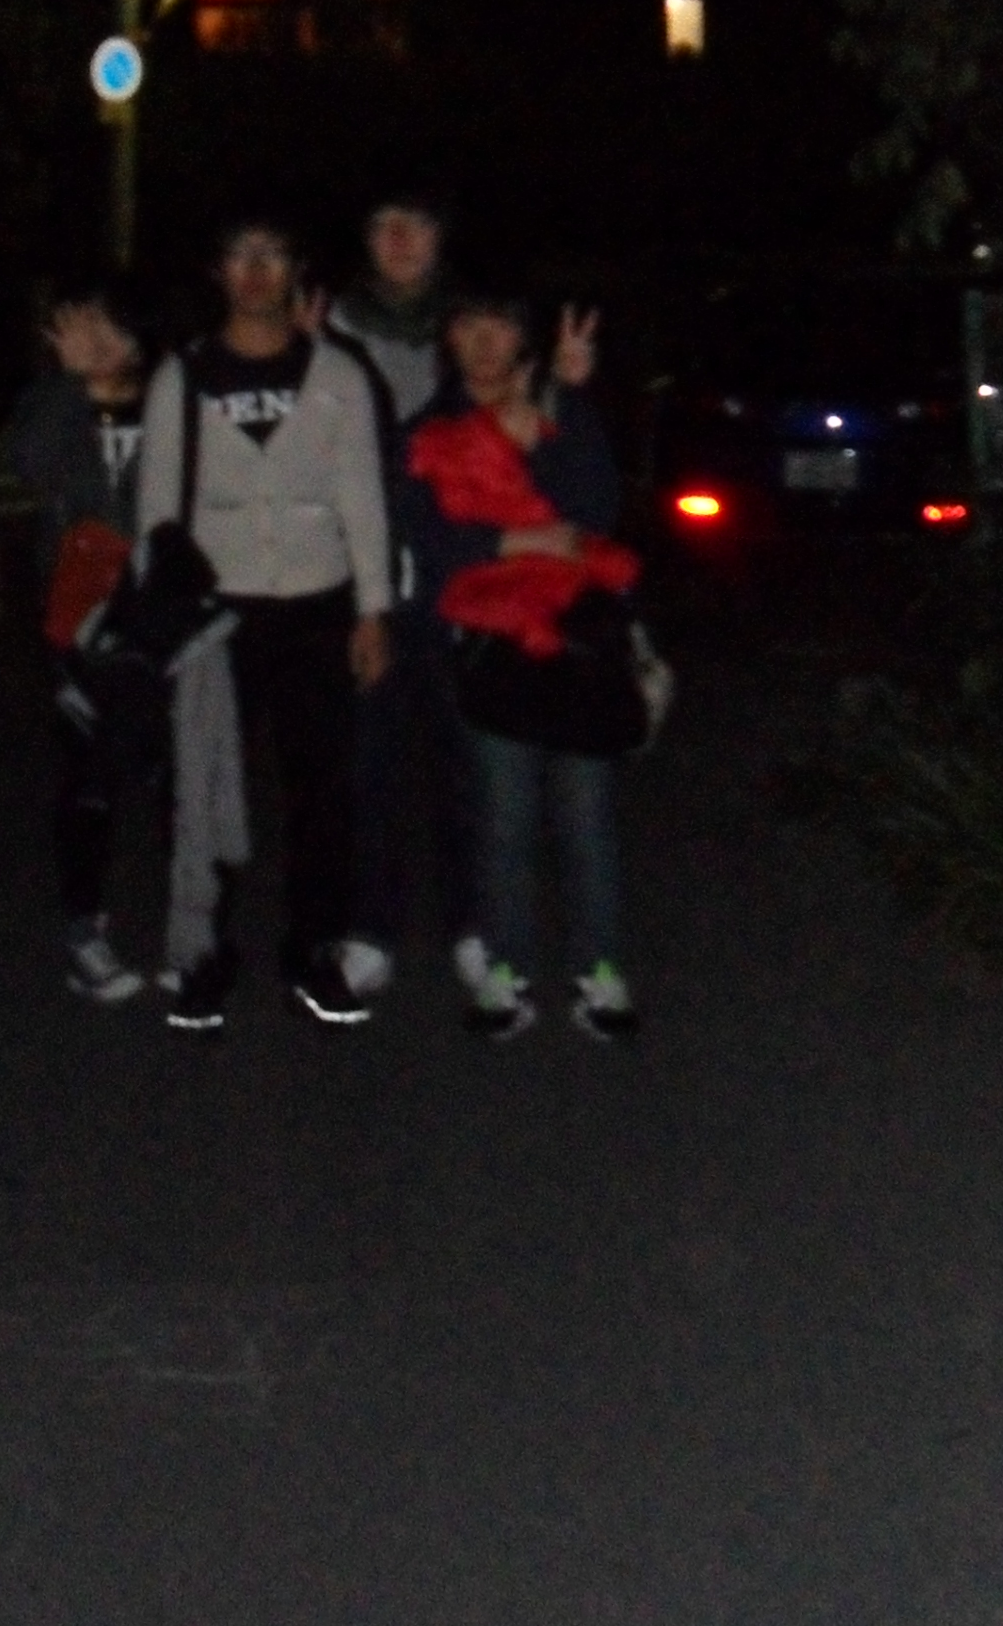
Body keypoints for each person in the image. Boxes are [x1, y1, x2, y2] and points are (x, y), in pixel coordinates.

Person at [136, 212, 392, 1032]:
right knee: (205, 787)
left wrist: (373, 608)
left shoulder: (338, 373)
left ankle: (314, 953)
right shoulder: (184, 375)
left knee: (322, 791)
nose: (255, 270)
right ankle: (202, 953)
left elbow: (363, 494)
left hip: (317, 603)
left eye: (272, 254)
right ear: (218, 272)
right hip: (218, 614)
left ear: (296, 271)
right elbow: (156, 508)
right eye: (240, 255)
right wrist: (162, 616)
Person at [403, 287, 644, 1044]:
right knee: (501, 814)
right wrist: (524, 542)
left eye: (500, 324)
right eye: (468, 324)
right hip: (488, 643)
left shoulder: (560, 413)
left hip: (577, 640)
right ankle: (504, 969)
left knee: (586, 811)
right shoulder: (427, 429)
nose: (483, 340)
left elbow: (596, 511)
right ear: (448, 338)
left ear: (525, 342)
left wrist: (567, 405)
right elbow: (428, 538)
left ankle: (599, 968)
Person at [325, 188, 472, 987]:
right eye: (384, 225)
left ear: (440, 237)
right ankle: (370, 929)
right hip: (363, 581)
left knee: (465, 765)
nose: (401, 239)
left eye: (417, 224)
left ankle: (472, 925)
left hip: (458, 581)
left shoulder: (472, 327)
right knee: (367, 765)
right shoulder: (332, 327)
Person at [5, 271, 156, 1003]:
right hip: (77, 618)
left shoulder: (170, 400)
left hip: (162, 615)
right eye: (82, 324)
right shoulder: (53, 402)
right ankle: (84, 927)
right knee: (87, 777)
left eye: (109, 325)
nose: (96, 340)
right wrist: (70, 384)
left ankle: (189, 927)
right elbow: (28, 466)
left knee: (176, 773)